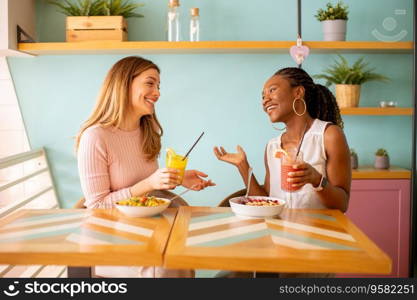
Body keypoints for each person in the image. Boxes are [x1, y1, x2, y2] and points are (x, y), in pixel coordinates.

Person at [75, 56, 214, 278]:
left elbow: (145, 189)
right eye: (150, 83)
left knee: (184, 254)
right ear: (124, 84)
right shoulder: (95, 137)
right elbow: (97, 205)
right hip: (110, 238)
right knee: (166, 267)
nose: (157, 93)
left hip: (148, 229)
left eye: (158, 86)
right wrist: (149, 183)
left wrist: (178, 178)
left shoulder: (146, 131)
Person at [213, 67, 351, 278]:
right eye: (262, 96)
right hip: (276, 245)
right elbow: (266, 200)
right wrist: (243, 166)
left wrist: (316, 180)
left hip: (315, 248)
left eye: (272, 90)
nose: (265, 100)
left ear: (298, 93)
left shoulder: (328, 135)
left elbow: (342, 203)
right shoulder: (272, 146)